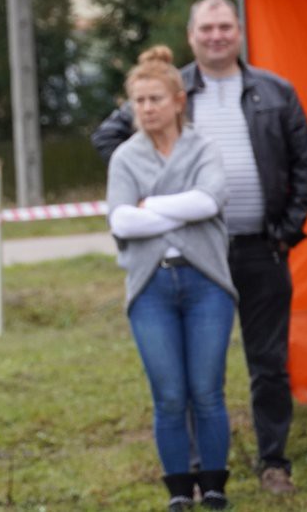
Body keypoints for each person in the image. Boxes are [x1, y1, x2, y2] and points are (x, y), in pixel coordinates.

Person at [92, 0, 307, 494]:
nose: (216, 35)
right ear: (191, 36)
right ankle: (190, 467)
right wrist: (151, 183)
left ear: (239, 30)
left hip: (262, 245)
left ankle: (273, 462)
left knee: (267, 362)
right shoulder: (166, 87)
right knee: (183, 383)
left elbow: (305, 161)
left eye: (225, 26)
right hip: (185, 254)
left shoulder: (274, 90)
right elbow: (109, 142)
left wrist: (288, 230)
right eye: (206, 28)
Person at [107, 46, 236, 510]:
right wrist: (177, 210)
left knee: (206, 391)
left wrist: (150, 208)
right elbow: (121, 222)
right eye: (138, 101)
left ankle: (215, 486)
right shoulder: (125, 158)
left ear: (178, 100)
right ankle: (180, 491)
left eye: (154, 99)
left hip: (205, 285)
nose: (146, 108)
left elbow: (210, 201)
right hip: (151, 289)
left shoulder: (203, 148)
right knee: (169, 395)